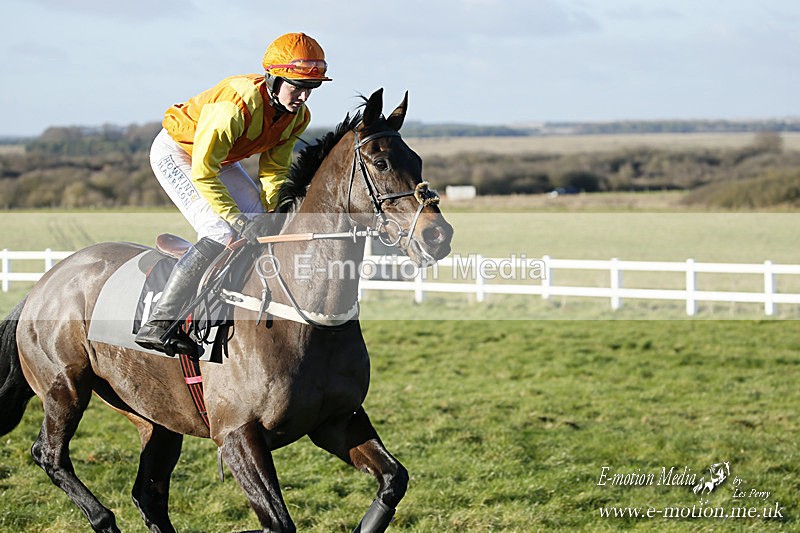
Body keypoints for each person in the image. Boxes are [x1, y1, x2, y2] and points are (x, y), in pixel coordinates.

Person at [135, 32, 331, 356]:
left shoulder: (297, 117)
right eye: (297, 87)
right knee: (220, 229)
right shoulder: (235, 105)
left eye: (311, 89)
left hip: (219, 159)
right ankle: (158, 322)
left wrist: (274, 212)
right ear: (274, 78)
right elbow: (203, 170)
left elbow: (274, 172)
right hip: (179, 153)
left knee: (265, 224)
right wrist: (237, 219)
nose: (303, 98)